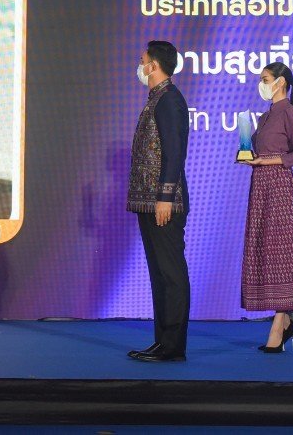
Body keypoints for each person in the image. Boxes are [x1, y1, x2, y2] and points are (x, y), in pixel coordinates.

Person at [240, 61, 293, 352]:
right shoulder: (264, 116)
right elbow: (256, 150)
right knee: (266, 252)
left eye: (266, 78)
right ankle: (285, 322)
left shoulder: (289, 112)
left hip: (280, 187)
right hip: (260, 187)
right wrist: (247, 153)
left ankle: (278, 324)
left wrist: (268, 160)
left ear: (281, 82)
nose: (262, 84)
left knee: (282, 254)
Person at [126, 40, 190, 362]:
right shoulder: (156, 98)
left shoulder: (169, 99)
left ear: (153, 65)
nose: (140, 66)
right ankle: (162, 341)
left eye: (142, 61)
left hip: (164, 203)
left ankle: (173, 346)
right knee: (159, 275)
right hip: (149, 202)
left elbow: (175, 152)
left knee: (171, 273)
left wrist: (165, 196)